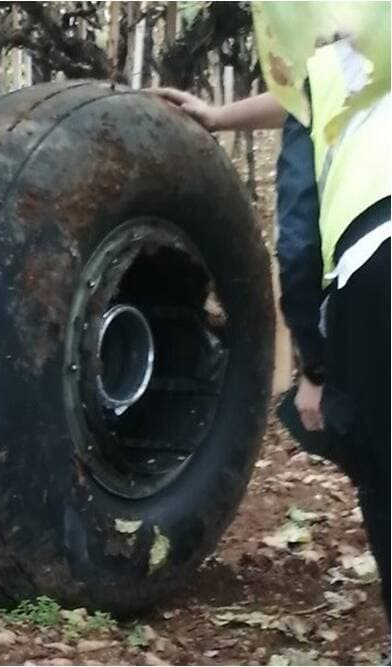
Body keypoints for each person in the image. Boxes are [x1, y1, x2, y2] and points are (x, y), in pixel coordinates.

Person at [150, 1, 390, 617]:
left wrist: (314, 368)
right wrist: (222, 115)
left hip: (376, 263)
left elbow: (300, 243)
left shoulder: (333, 66)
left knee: (378, 460)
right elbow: (301, 95)